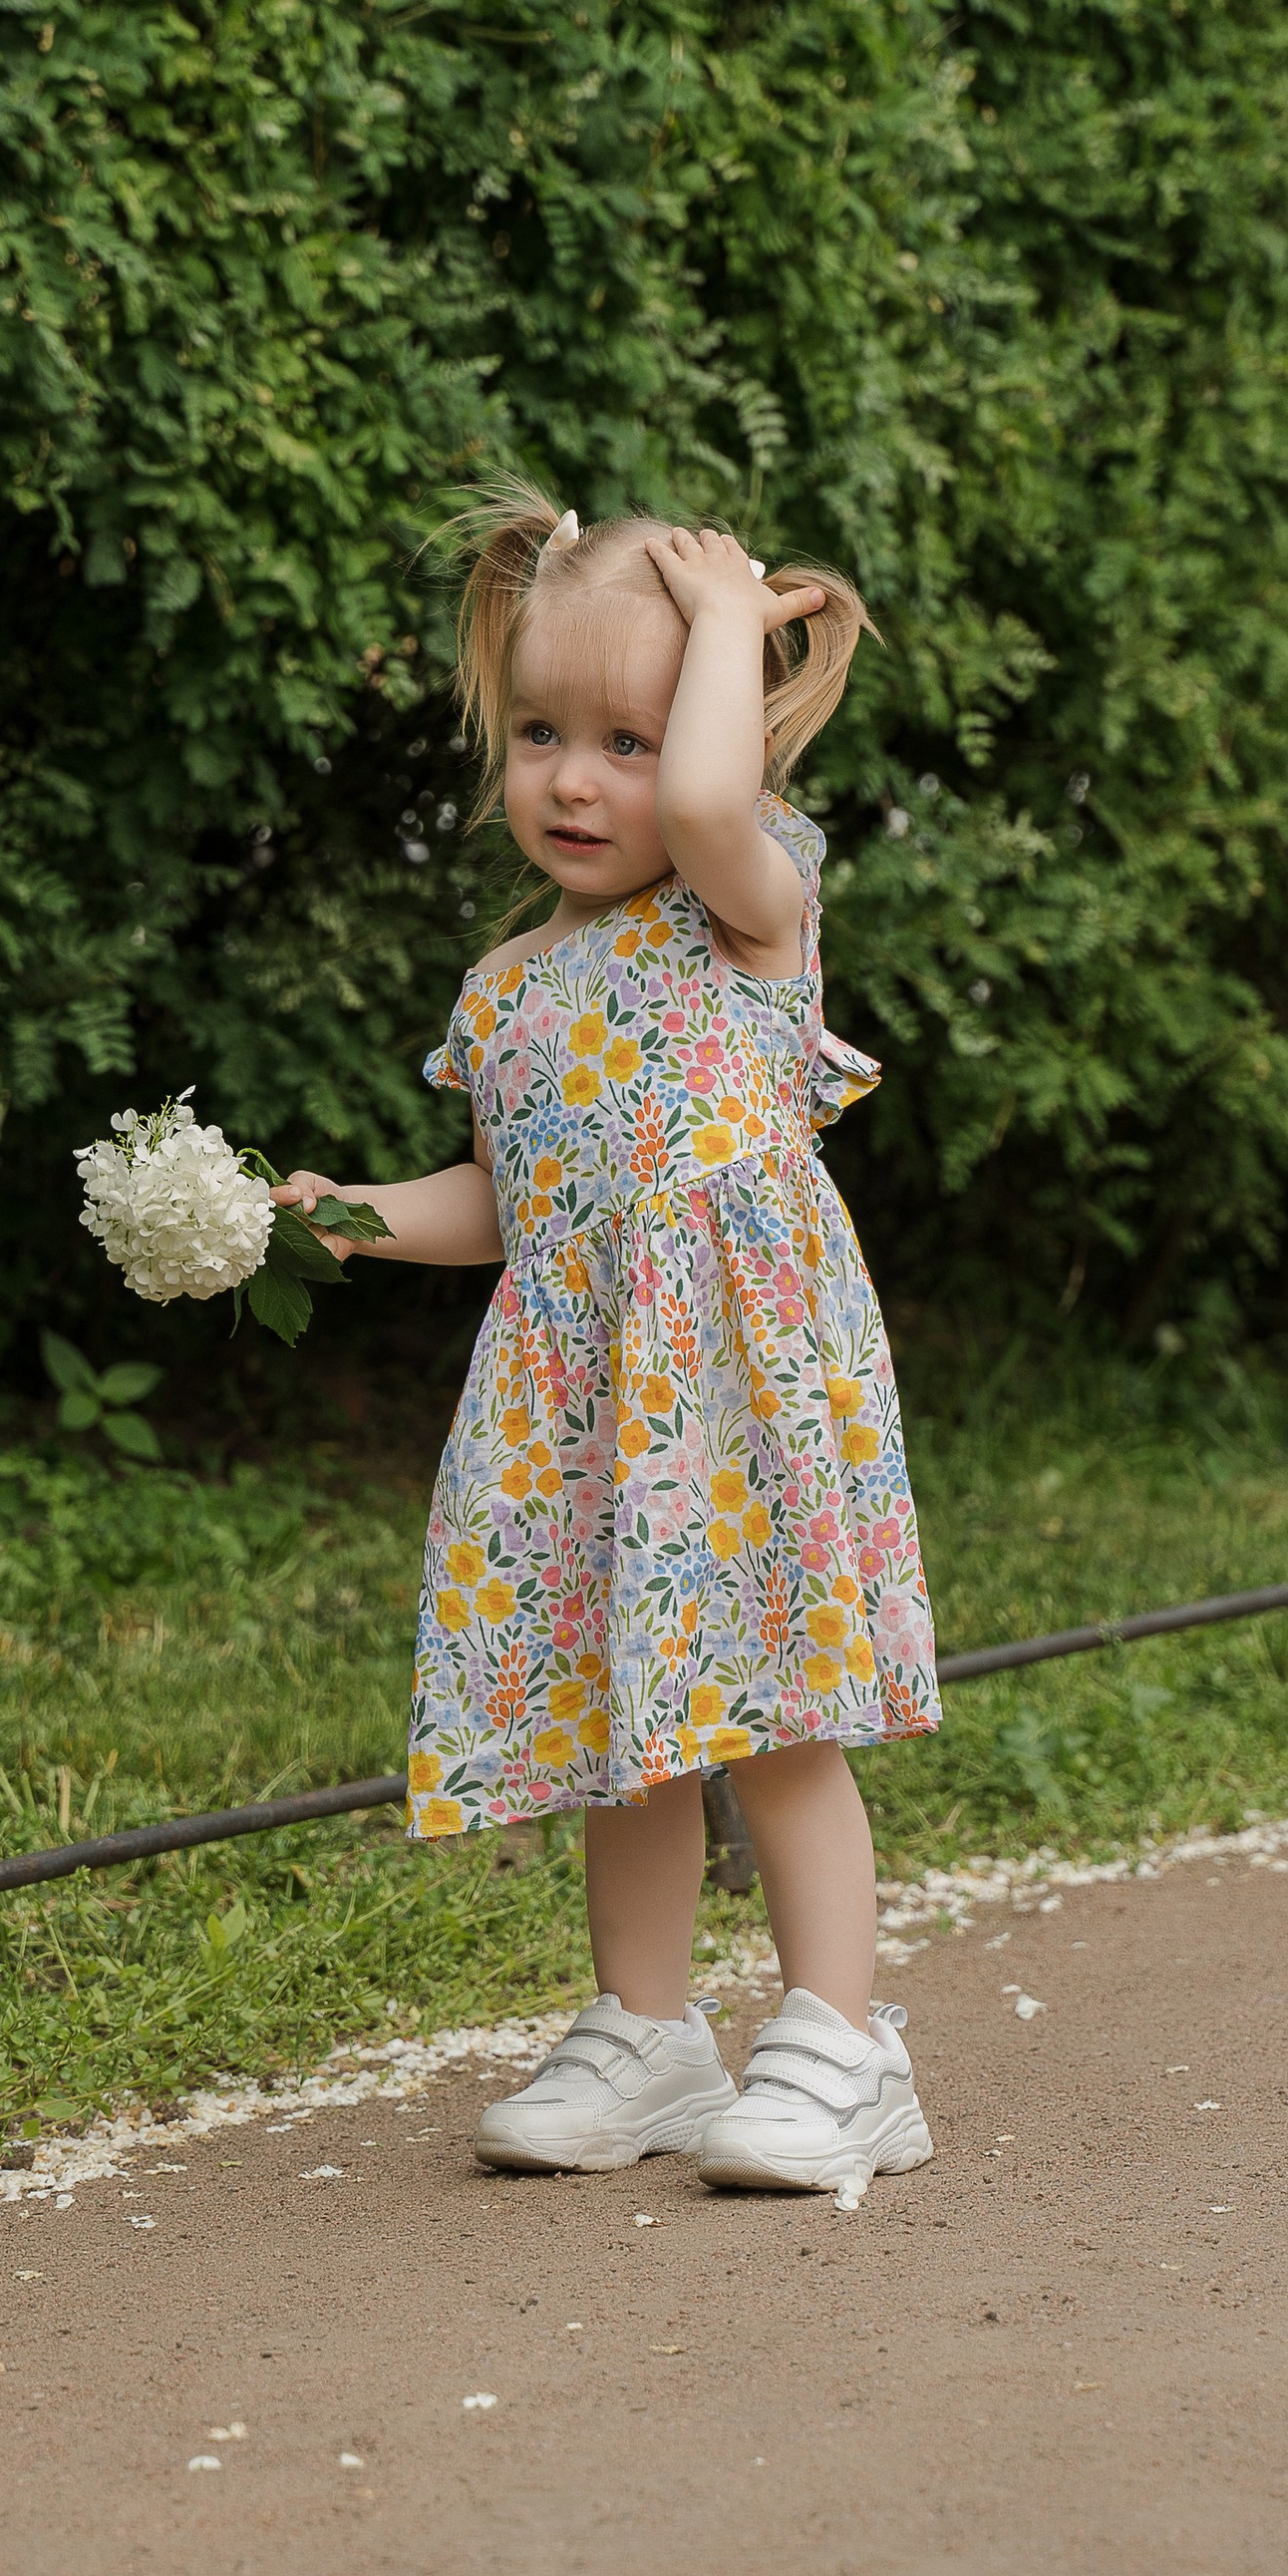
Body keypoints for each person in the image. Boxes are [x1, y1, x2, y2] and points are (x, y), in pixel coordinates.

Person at [271, 487, 941, 2196]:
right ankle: (648, 2032)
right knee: (623, 1719)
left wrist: (731, 622)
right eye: (544, 734)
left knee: (777, 1710)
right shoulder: (509, 989)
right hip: (584, 1396)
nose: (578, 779)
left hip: (735, 1386)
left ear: (724, 727)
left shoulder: (752, 903)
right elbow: (500, 1203)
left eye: (629, 740)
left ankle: (844, 2043)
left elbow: (716, 791)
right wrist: (336, 1214)